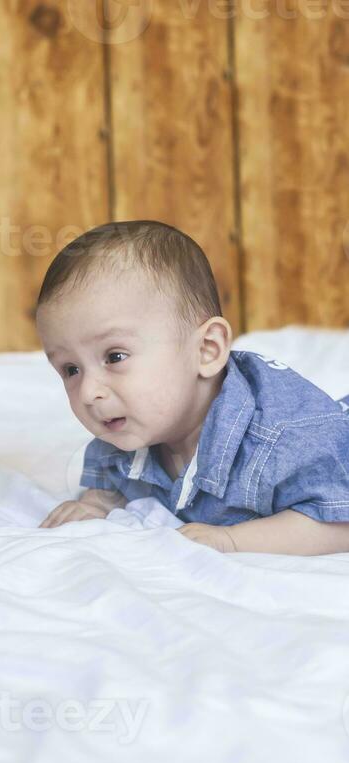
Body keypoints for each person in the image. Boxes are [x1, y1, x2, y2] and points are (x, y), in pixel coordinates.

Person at [36, 220, 349, 555]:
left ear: (206, 350)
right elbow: (110, 478)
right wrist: (96, 502)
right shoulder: (123, 430)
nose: (88, 392)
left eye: (115, 356)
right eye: (71, 369)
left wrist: (232, 540)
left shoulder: (282, 444)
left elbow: (338, 524)